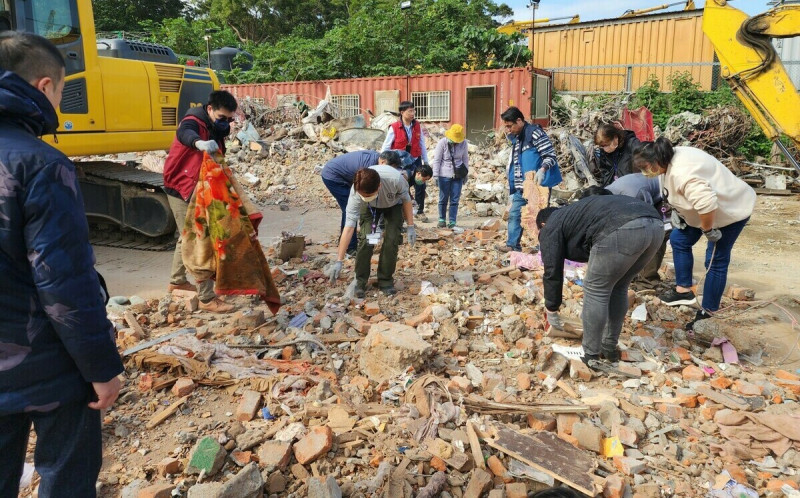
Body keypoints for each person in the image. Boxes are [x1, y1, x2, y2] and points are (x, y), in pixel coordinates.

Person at [0, 32, 124, 497]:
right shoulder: (40, 163)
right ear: (46, 85)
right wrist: (101, 368)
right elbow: (63, 283)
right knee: (65, 478)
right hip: (45, 365)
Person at [633, 138, 756, 329]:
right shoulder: (666, 158)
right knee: (679, 239)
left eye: (645, 167)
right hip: (702, 212)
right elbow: (677, 193)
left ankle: (708, 313)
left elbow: (707, 204)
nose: (644, 171)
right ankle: (683, 291)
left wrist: (708, 229)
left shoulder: (684, 174)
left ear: (658, 160)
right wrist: (679, 212)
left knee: (715, 260)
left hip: (728, 212)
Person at [537, 195, 663, 366]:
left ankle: (590, 354)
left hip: (622, 227)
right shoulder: (576, 214)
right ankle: (608, 347)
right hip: (656, 226)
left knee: (596, 289)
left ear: (542, 225)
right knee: (619, 286)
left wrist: (551, 308)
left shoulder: (550, 226)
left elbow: (552, 269)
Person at [163, 90, 239, 313]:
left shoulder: (215, 128)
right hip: (182, 186)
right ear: (209, 110)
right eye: (222, 118)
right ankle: (206, 298)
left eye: (229, 119)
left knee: (185, 236)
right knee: (200, 239)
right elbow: (185, 133)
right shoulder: (194, 121)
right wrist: (199, 144)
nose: (225, 123)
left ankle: (176, 281)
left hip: (200, 187)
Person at [328, 167, 417, 297]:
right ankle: (360, 281)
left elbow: (406, 200)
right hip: (370, 209)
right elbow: (348, 228)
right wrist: (339, 261)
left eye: (369, 195)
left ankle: (385, 280)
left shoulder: (396, 180)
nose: (365, 197)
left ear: (379, 186)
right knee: (366, 239)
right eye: (363, 196)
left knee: (392, 239)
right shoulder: (357, 192)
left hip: (393, 205)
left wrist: (410, 225)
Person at [579, 173, 671, 284]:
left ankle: (648, 281)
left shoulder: (633, 195)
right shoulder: (606, 194)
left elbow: (649, 219)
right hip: (646, 195)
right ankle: (632, 273)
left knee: (656, 235)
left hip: (667, 194)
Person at [497, 106, 561, 253]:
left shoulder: (535, 133)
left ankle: (542, 247)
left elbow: (550, 155)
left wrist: (542, 170)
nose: (507, 129)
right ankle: (512, 245)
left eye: (509, 125)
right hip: (521, 186)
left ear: (519, 121)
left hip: (538, 185)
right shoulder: (517, 138)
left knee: (538, 217)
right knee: (514, 214)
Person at [321, 150, 381, 255]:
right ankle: (350, 247)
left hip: (344, 174)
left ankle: (348, 240)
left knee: (363, 208)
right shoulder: (369, 169)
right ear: (383, 161)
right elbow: (352, 213)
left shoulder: (377, 162)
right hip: (333, 176)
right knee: (349, 209)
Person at [381, 101, 431, 221]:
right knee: (403, 185)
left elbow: (421, 144)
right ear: (402, 112)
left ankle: (419, 211)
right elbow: (386, 146)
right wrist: (383, 163)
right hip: (400, 162)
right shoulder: (394, 127)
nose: (413, 113)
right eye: (410, 111)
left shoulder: (417, 126)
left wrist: (426, 161)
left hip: (415, 159)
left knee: (421, 184)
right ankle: (403, 212)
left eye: (414, 111)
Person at [431, 124, 469, 228]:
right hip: (444, 174)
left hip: (458, 174)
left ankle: (452, 221)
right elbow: (437, 160)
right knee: (443, 198)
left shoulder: (464, 143)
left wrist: (466, 174)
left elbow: (465, 158)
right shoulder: (442, 143)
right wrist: (436, 175)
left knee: (455, 199)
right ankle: (442, 219)